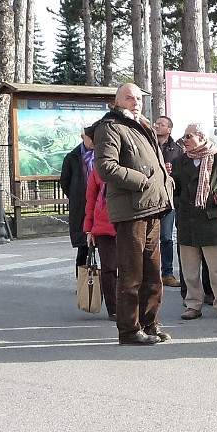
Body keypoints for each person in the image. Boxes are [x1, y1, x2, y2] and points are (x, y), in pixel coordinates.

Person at [89, 83, 174, 345]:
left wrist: (165, 185)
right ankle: (128, 330)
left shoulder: (143, 125)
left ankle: (149, 324)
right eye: (129, 98)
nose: (135, 102)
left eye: (138, 98)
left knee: (152, 272)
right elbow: (105, 167)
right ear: (117, 101)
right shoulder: (110, 127)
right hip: (131, 209)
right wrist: (142, 181)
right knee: (131, 274)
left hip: (153, 207)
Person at [173, 122, 217, 322]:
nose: (184, 141)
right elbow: (174, 187)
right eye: (183, 137)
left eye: (188, 136)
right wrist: (180, 202)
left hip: (212, 221)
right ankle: (193, 304)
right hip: (188, 221)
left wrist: (215, 198)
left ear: (201, 137)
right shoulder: (180, 161)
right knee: (190, 270)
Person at [82, 167, 118, 321]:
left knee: (131, 269)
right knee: (109, 269)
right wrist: (89, 229)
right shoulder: (99, 168)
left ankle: (131, 306)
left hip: (129, 224)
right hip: (104, 225)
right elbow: (91, 198)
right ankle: (114, 308)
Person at [153, 115, 182, 288]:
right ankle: (150, 274)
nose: (157, 126)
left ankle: (168, 273)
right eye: (156, 123)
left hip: (168, 198)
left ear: (169, 129)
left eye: (161, 124)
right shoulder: (149, 144)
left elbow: (181, 175)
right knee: (149, 238)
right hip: (150, 197)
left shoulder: (177, 149)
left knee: (166, 237)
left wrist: (172, 172)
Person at [60, 129, 94, 272]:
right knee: (83, 248)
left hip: (100, 206)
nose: (93, 141)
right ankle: (83, 284)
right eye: (90, 137)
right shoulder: (72, 157)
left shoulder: (104, 155)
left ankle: (105, 284)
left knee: (107, 249)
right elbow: (65, 183)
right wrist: (77, 196)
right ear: (82, 137)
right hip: (81, 206)